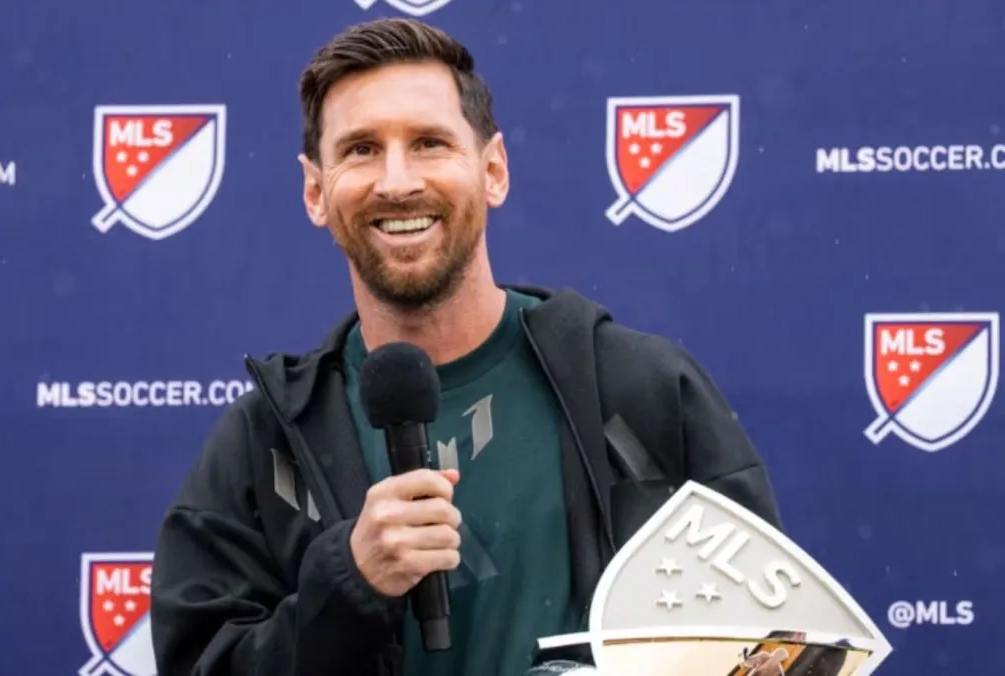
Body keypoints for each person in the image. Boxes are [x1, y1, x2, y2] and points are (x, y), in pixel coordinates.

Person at [150, 17, 782, 676]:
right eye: (362, 149)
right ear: (316, 191)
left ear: (494, 170)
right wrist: (347, 582)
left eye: (429, 143)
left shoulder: (641, 390)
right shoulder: (263, 446)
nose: (397, 182)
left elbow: (774, 645)